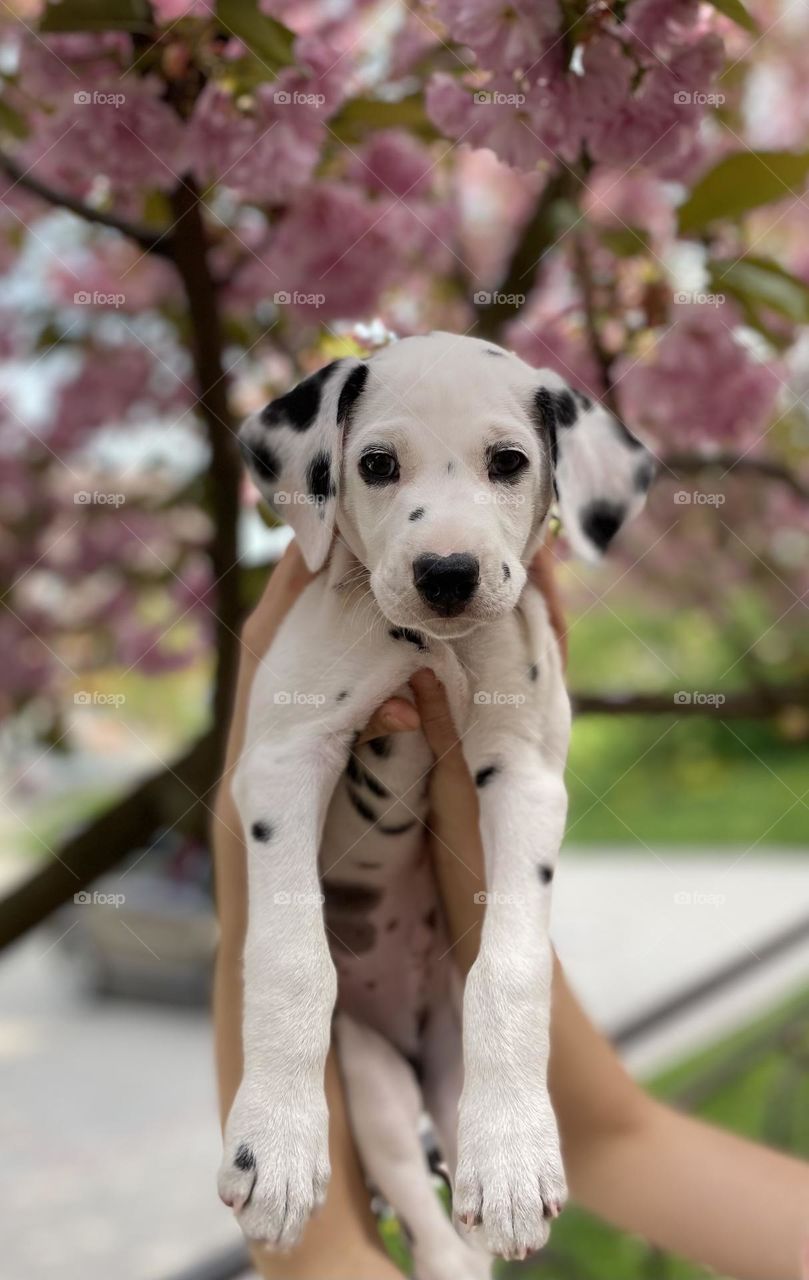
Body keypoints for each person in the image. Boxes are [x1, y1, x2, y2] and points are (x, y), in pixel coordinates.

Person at [213, 541, 809, 1280]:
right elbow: (614, 1139)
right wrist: (479, 821)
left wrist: (250, 900)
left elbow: (320, 1262)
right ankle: (445, 1242)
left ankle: (445, 1246)